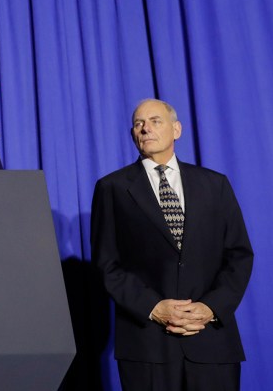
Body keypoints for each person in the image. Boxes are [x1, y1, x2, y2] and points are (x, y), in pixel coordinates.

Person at [91, 99, 253, 391]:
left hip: (211, 342)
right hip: (148, 347)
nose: (145, 129)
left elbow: (239, 255)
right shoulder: (111, 188)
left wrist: (211, 307)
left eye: (155, 121)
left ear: (176, 129)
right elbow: (107, 265)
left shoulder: (214, 185)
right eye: (138, 124)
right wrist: (153, 307)